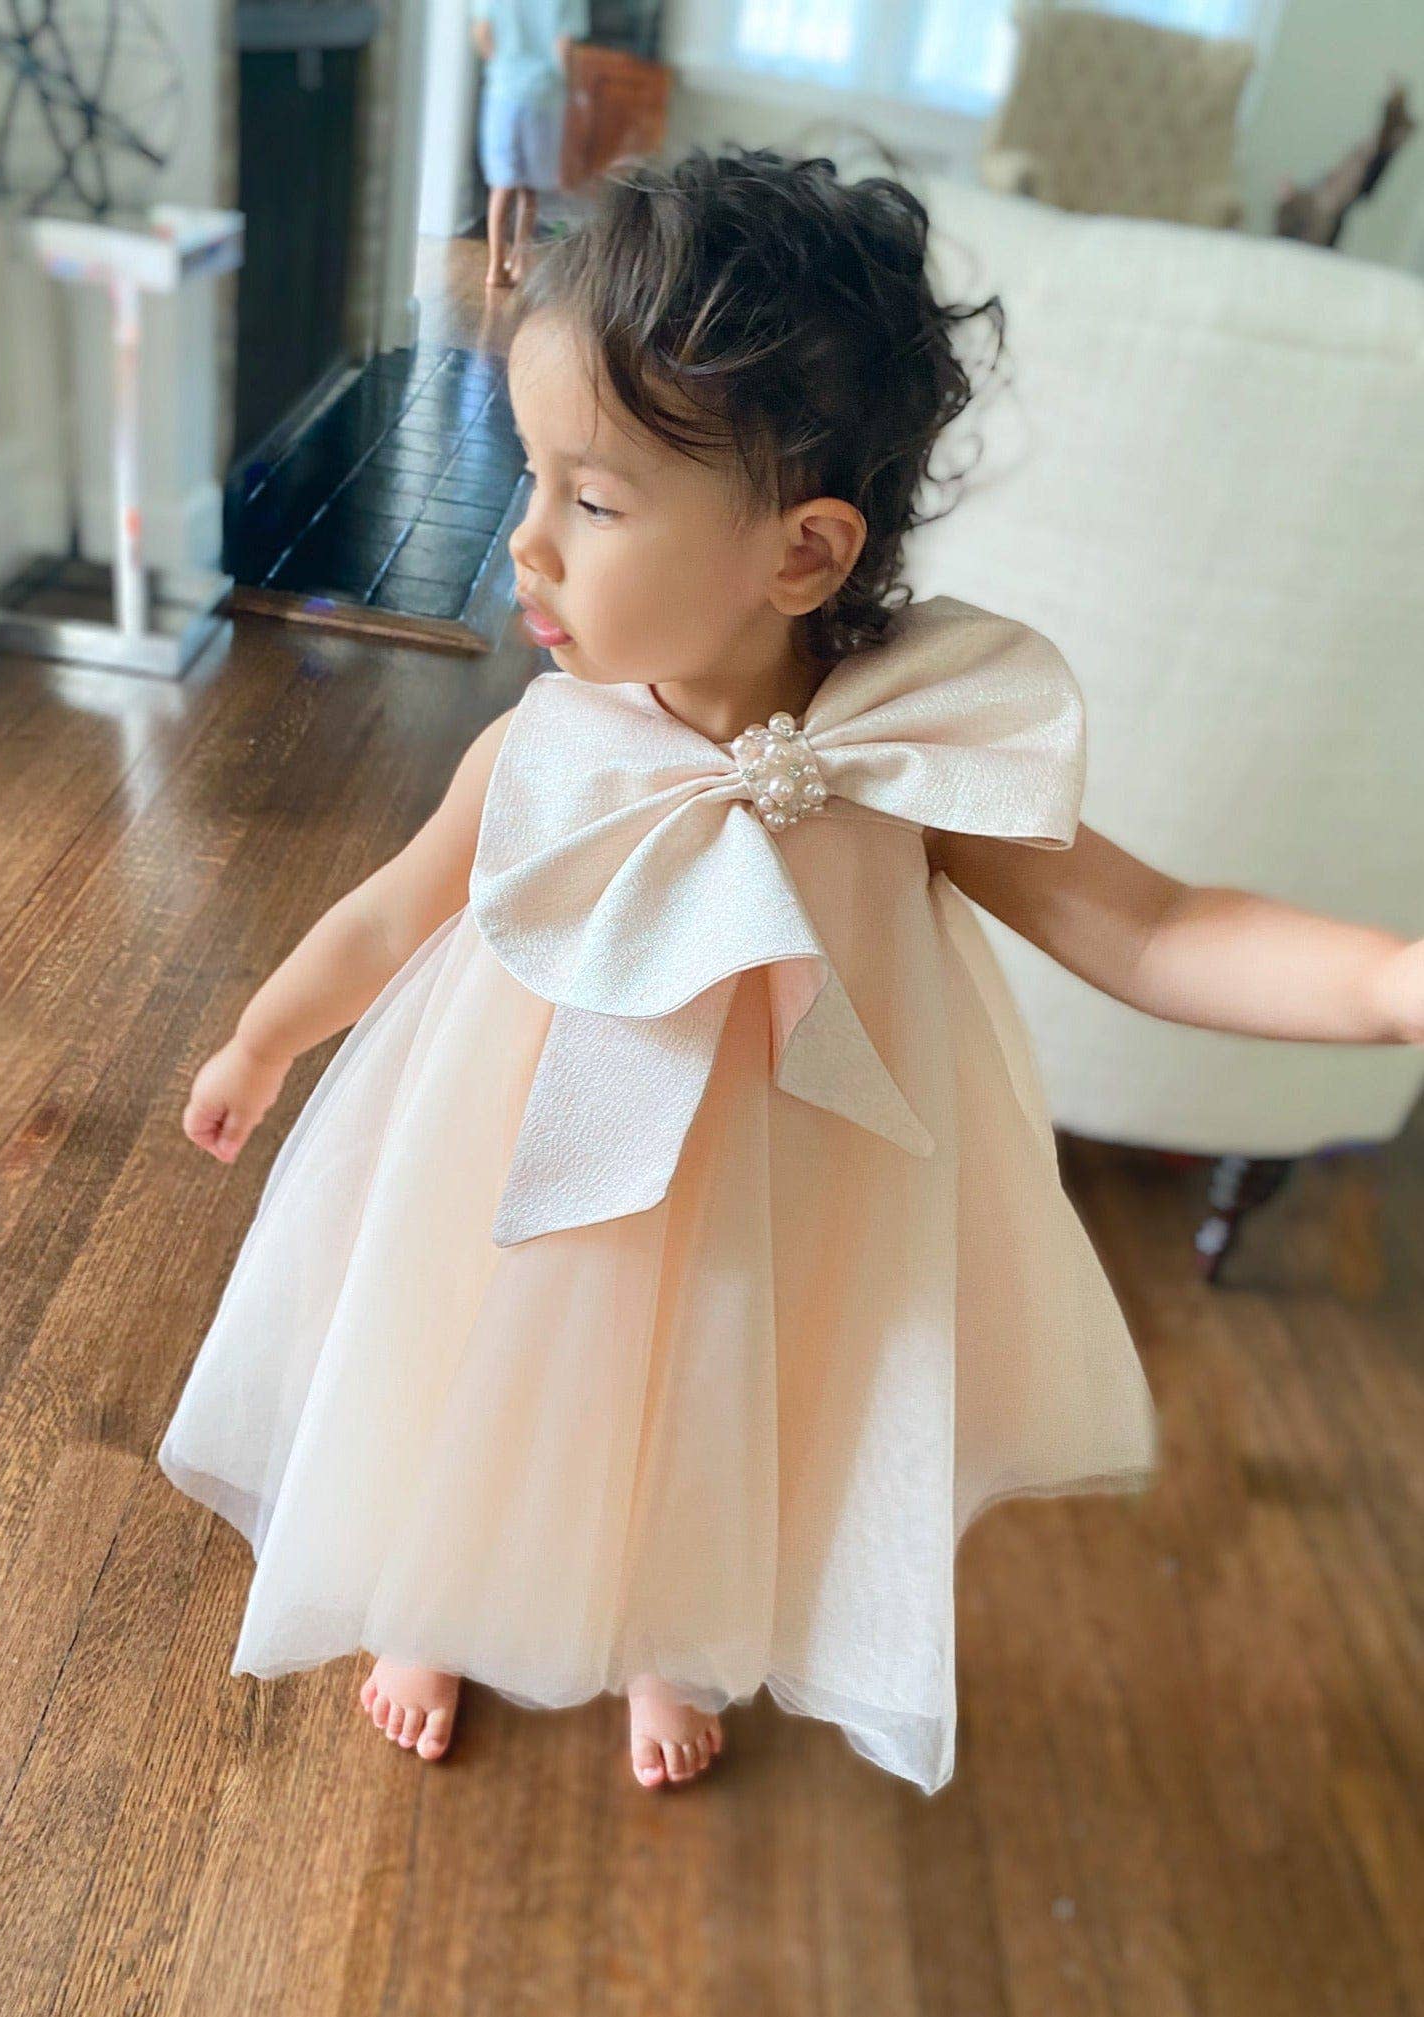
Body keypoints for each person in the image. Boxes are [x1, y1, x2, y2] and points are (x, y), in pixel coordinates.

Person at [158, 148, 1424, 1795]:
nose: (525, 544)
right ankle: (443, 1595)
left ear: (804, 553)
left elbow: (1152, 927)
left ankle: (669, 1629)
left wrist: (1390, 983)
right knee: (491, 1366)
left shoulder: (908, 758)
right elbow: (392, 914)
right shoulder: (548, 746)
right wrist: (265, 1038)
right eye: (533, 476)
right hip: (527, 1170)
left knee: (727, 1401)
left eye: (591, 501)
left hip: (780, 1190)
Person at [471, 0, 587, 291]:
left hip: (503, 92)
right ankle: (520, 261)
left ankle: (495, 266)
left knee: (501, 186)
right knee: (529, 189)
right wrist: (572, 91)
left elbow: (482, 30)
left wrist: (501, 66)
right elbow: (564, 45)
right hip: (543, 96)